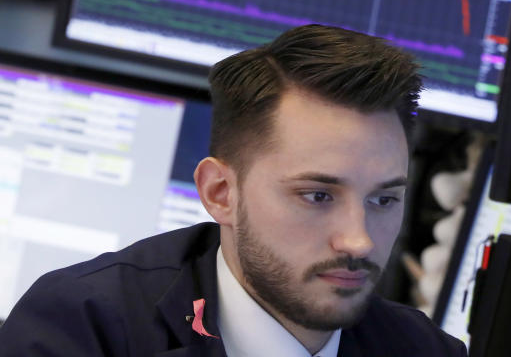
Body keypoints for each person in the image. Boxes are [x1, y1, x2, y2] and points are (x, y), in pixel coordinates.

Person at [0, 25, 467, 356]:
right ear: (221, 192)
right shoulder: (83, 329)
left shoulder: (426, 350)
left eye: (383, 200)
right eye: (317, 196)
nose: (360, 240)